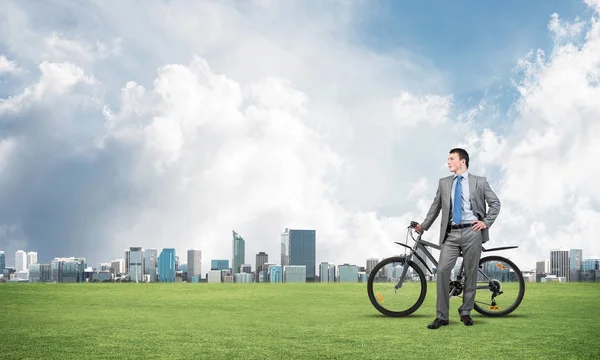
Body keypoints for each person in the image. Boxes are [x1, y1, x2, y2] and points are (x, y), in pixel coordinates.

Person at [415, 148, 500, 329]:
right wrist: (423, 226)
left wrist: (486, 222)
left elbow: (495, 203)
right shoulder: (444, 183)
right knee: (443, 271)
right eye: (447, 159)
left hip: (472, 232)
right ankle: (442, 316)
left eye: (451, 158)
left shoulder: (480, 182)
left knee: (471, 273)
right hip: (451, 234)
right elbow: (435, 207)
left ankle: (466, 311)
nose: (448, 162)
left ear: (462, 161)